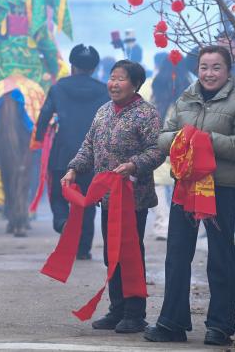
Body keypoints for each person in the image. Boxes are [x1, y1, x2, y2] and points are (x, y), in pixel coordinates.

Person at [144, 45, 235, 346]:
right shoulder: (185, 99)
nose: (209, 74)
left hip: (220, 189)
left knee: (220, 257)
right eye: (204, 67)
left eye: (216, 67)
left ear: (228, 70)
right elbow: (163, 136)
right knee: (177, 254)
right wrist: (183, 139)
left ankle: (220, 325)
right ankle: (172, 322)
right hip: (185, 186)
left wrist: (207, 140)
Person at [63, 60, 165, 333]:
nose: (114, 83)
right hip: (107, 197)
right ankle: (117, 309)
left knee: (130, 253)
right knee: (112, 254)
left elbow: (157, 151)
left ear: (135, 85)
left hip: (134, 198)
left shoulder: (147, 115)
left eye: (121, 79)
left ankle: (135, 312)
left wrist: (133, 164)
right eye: (112, 78)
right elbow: (88, 146)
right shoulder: (103, 112)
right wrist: (73, 168)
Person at [34, 44, 108, 260]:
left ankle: (62, 222)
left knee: (58, 195)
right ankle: (83, 250)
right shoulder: (103, 90)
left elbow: (45, 116)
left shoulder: (58, 88)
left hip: (62, 154)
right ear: (94, 68)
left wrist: (38, 139)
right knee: (87, 202)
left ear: (72, 65)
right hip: (92, 156)